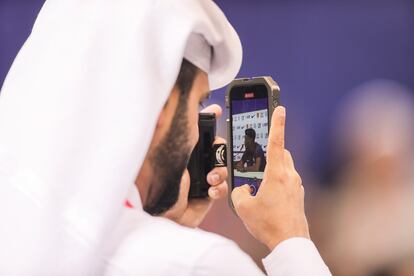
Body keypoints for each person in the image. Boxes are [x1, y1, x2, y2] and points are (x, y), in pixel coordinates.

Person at [0, 0, 330, 275]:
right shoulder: (201, 265)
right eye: (198, 102)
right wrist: (291, 238)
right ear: (161, 107)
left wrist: (167, 229)